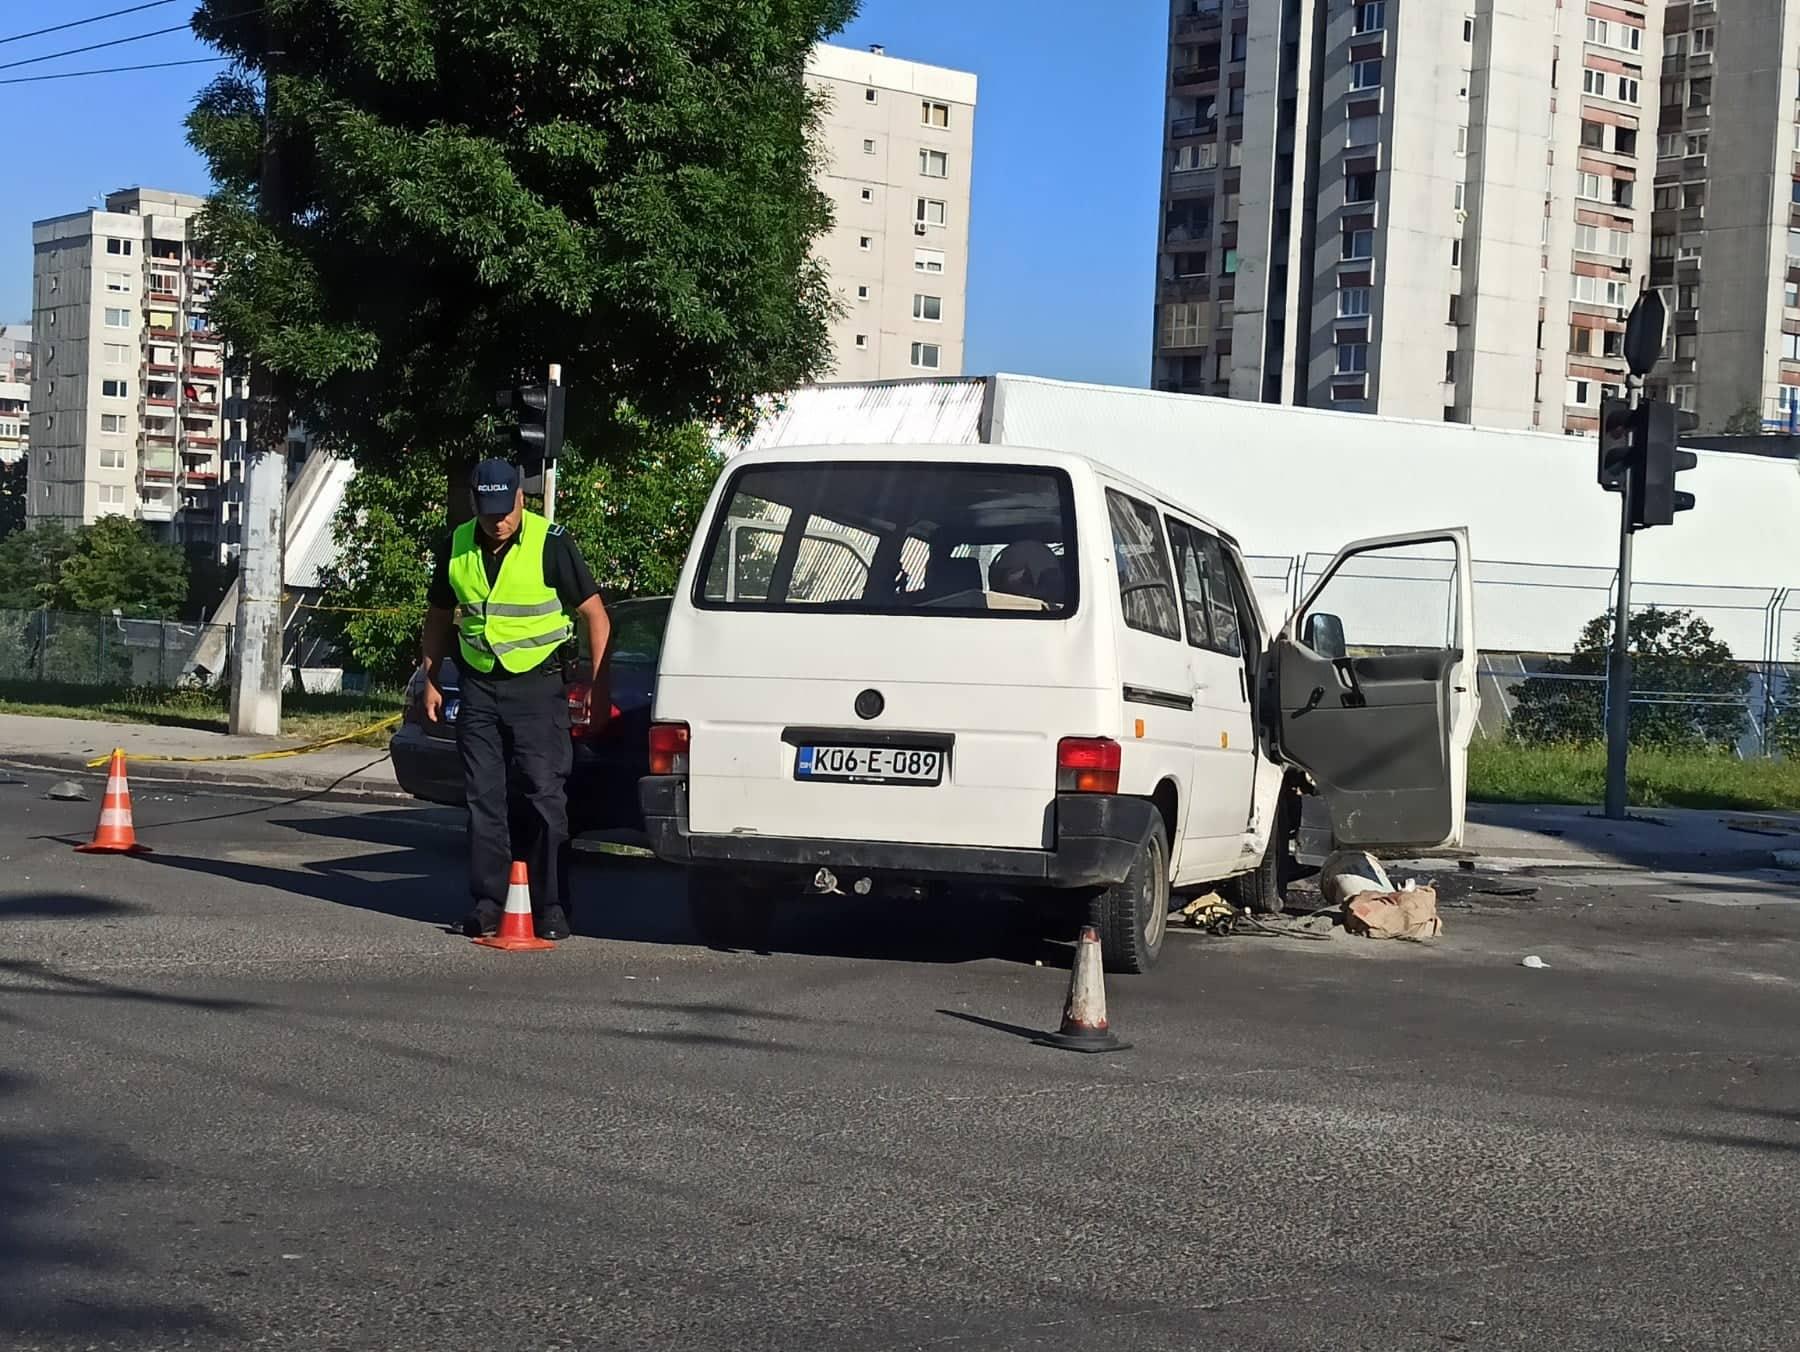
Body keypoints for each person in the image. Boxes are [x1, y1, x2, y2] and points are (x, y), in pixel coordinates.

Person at [420, 460, 610, 941]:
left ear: (521, 500)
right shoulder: (456, 544)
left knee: (544, 794)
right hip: (480, 684)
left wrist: (597, 684)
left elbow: (596, 615)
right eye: (488, 513)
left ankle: (550, 904)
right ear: (474, 505)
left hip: (537, 686)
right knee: (484, 798)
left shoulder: (551, 542)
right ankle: (487, 903)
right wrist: (432, 679)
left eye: (505, 510)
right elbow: (439, 616)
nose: (497, 521)